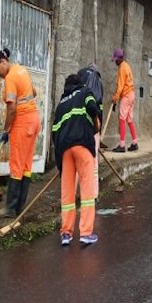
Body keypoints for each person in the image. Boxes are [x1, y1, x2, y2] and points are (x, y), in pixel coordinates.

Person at [0, 48, 41, 218]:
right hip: (34, 121)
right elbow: (34, 92)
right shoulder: (22, 70)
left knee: (16, 165)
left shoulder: (11, 77)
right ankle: (19, 206)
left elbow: (11, 109)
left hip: (23, 122)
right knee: (26, 165)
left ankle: (10, 208)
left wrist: (6, 130)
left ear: (2, 63)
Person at [52, 74, 101, 246]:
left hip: (64, 150)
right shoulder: (85, 92)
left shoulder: (61, 104)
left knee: (67, 193)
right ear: (79, 84)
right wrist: (95, 127)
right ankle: (86, 233)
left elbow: (54, 132)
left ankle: (66, 233)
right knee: (87, 191)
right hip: (82, 144)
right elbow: (93, 108)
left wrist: (59, 161)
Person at [77, 63, 104, 197]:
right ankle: (93, 194)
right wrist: (99, 130)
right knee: (93, 162)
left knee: (77, 160)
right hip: (94, 127)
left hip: (79, 125)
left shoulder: (80, 76)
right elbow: (99, 109)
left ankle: (75, 193)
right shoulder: (98, 82)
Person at [110, 48, 138, 152]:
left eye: (115, 60)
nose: (115, 62)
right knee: (129, 120)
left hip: (126, 95)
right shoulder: (127, 65)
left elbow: (121, 86)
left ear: (119, 59)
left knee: (122, 119)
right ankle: (134, 143)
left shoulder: (122, 67)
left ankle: (122, 145)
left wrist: (115, 97)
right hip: (132, 94)